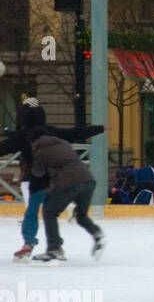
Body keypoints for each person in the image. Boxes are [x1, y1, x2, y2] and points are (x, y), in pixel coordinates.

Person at [3, 97, 104, 261]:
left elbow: (3, 147)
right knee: (50, 213)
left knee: (33, 213)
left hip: (35, 181)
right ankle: (56, 246)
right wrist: (99, 128)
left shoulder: (21, 136)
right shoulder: (50, 131)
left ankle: (30, 244)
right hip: (57, 181)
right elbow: (75, 133)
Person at [29, 128, 106, 263]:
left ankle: (54, 249)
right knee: (81, 215)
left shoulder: (41, 151)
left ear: (36, 140)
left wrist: (31, 165)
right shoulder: (64, 144)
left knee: (49, 211)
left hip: (70, 183)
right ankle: (97, 234)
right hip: (88, 180)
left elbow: (38, 172)